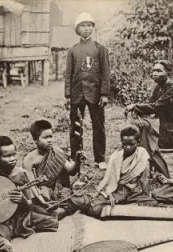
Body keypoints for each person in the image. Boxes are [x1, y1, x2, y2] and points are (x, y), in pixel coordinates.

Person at [0, 136, 59, 242]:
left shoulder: (21, 174)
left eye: (14, 154)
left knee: (53, 223)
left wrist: (23, 201)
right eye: (7, 156)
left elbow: (29, 203)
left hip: (21, 217)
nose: (13, 159)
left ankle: (18, 229)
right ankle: (7, 232)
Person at [76, 125, 157, 219]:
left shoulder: (142, 155)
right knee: (95, 208)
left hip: (132, 193)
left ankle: (122, 207)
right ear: (121, 142)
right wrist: (110, 195)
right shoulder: (116, 157)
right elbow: (109, 179)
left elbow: (144, 180)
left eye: (131, 144)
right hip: (116, 191)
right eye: (124, 144)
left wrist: (147, 198)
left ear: (138, 142)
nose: (127, 147)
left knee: (153, 204)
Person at [125, 60, 173, 178]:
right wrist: (138, 112)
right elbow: (151, 106)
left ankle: (145, 162)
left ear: (168, 72)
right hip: (161, 124)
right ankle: (148, 163)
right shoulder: (159, 87)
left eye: (159, 71)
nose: (155, 73)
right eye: (154, 70)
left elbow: (156, 106)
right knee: (138, 124)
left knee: (142, 131)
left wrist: (135, 106)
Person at [65, 12, 110, 170]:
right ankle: (76, 158)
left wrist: (104, 94)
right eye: (83, 26)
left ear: (93, 28)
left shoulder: (100, 49)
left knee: (99, 126)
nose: (86, 29)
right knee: (75, 126)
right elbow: (68, 74)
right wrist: (68, 95)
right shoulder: (72, 50)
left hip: (95, 94)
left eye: (89, 25)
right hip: (77, 94)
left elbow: (105, 73)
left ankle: (100, 158)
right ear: (77, 29)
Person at [23, 120, 84, 220]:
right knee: (37, 201)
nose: (49, 140)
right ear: (35, 140)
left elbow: (70, 171)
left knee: (75, 195)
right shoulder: (29, 160)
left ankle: (60, 211)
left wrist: (77, 161)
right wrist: (42, 201)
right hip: (42, 193)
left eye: (51, 136)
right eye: (45, 137)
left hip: (59, 189)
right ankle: (57, 210)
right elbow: (32, 185)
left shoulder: (57, 151)